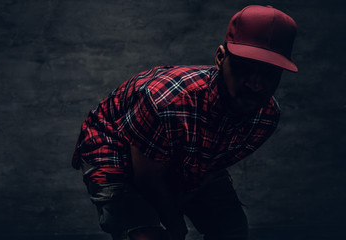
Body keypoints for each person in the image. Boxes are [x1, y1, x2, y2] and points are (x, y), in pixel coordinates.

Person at [71, 5, 298, 240]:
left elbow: (210, 167)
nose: (256, 84)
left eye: (269, 73)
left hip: (182, 154)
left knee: (232, 230)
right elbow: (147, 177)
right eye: (244, 68)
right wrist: (173, 221)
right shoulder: (166, 101)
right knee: (148, 236)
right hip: (116, 147)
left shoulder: (265, 117)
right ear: (221, 58)